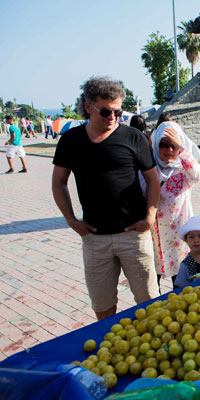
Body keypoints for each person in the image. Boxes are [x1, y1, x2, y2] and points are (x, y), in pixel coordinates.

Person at [52, 76, 160, 320]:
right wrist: (71, 220)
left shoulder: (134, 137)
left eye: (118, 111)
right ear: (88, 107)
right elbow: (59, 182)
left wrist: (150, 217)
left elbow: (153, 179)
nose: (112, 116)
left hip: (134, 235)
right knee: (102, 305)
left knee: (149, 302)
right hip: (95, 238)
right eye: (105, 111)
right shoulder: (71, 141)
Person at [144, 121, 200, 291]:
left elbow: (198, 175)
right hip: (152, 237)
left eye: (174, 146)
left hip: (178, 237)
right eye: (164, 144)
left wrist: (182, 149)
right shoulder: (149, 169)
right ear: (156, 145)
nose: (169, 150)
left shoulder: (182, 171)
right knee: (151, 286)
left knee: (181, 285)